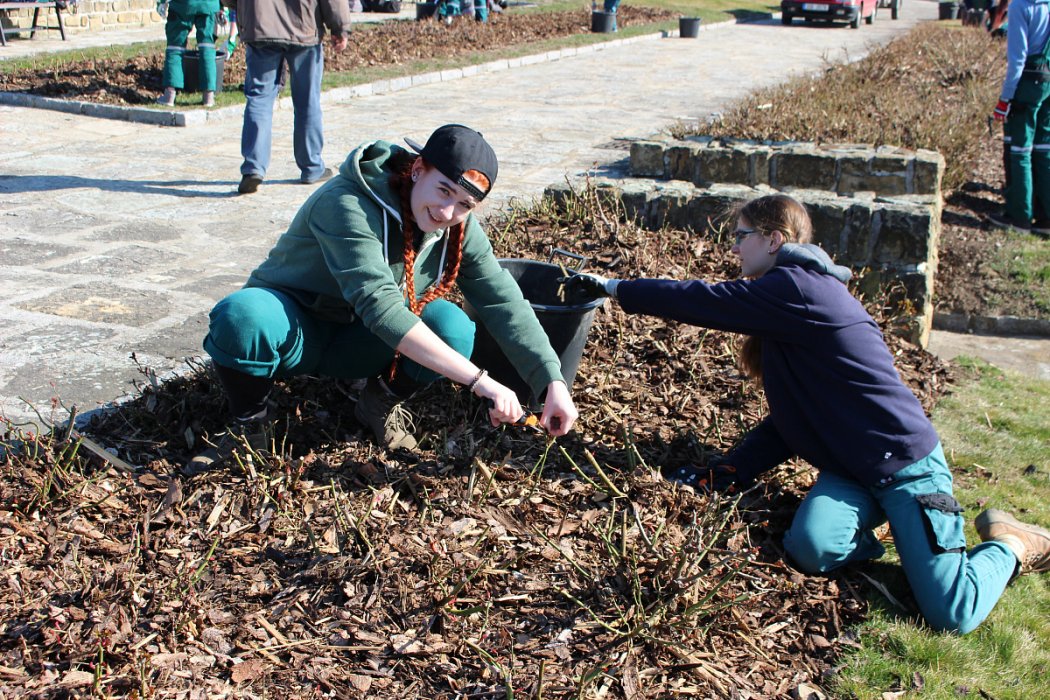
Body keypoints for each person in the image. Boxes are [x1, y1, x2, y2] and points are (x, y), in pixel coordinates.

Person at [564, 193, 1050, 634]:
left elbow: (702, 301)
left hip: (904, 468)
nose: (733, 249)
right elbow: (792, 421)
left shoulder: (801, 290)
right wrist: (728, 472)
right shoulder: (788, 303)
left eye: (740, 236)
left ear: (773, 240)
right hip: (853, 468)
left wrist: (615, 287)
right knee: (811, 549)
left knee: (951, 611)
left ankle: (1010, 545)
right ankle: (895, 534)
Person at [190, 124, 579, 471]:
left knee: (453, 327)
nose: (447, 212)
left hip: (362, 342)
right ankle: (248, 425)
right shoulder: (346, 202)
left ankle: (377, 402)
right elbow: (379, 304)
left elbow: (503, 301)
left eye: (464, 204)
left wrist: (550, 382)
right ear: (417, 169)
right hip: (297, 327)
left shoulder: (459, 228)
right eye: (443, 190)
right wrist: (480, 381)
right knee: (242, 316)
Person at [224, 0, 352, 195]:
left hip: (260, 24)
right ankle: (311, 166)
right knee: (307, 102)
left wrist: (243, 9)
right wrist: (340, 27)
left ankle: (253, 167)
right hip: (304, 27)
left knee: (259, 99)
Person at [989, 0, 1050, 237]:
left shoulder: (1020, 7)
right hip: (1048, 82)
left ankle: (1020, 216)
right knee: (1044, 148)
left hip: (1029, 82)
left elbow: (1017, 59)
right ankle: (1046, 217)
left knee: (1020, 149)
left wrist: (1005, 100)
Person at [156, 0, 221, 107]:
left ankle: (169, 95)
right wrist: (222, 6)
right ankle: (208, 97)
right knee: (207, 45)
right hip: (209, 4)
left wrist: (162, 2)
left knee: (175, 46)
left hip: (182, 5)